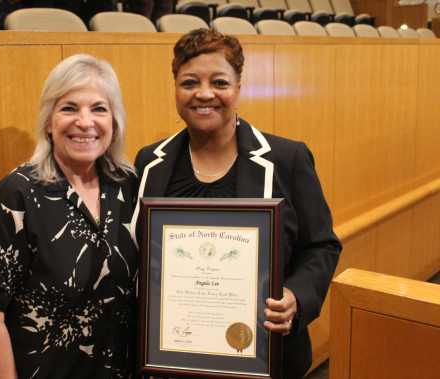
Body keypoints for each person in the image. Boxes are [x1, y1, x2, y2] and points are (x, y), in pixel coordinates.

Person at [131, 29, 342, 379]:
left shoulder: (287, 159)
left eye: (219, 82)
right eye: (189, 82)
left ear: (238, 89)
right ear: (175, 89)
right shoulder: (149, 162)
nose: (204, 94)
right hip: (174, 359)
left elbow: (322, 245)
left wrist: (296, 296)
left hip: (265, 358)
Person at [0, 54, 137, 379]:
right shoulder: (17, 195)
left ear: (114, 121)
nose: (85, 122)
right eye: (69, 108)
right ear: (48, 121)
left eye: (99, 108)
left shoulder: (128, 185)